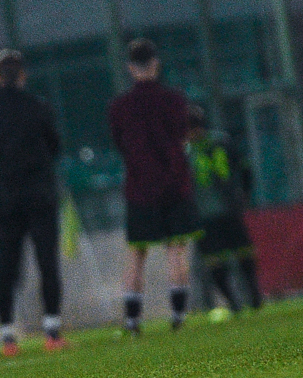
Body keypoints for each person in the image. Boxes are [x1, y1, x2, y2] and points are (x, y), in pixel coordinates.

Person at [0, 49, 67, 355]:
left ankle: (7, 336)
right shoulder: (38, 106)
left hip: (6, 200)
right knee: (47, 262)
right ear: (23, 75)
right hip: (40, 195)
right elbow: (54, 145)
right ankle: (52, 331)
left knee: (6, 265)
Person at [108, 38, 198, 334]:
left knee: (136, 253)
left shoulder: (120, 106)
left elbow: (120, 143)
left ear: (130, 68)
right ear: (156, 64)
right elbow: (183, 137)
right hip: (174, 184)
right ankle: (178, 315)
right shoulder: (175, 100)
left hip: (140, 188)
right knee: (176, 250)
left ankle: (133, 320)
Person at [186, 104, 262, 314]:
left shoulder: (189, 151)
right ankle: (237, 300)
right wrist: (244, 193)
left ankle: (250, 296)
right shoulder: (221, 141)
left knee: (234, 254)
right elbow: (245, 168)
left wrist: (244, 193)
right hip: (213, 212)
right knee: (227, 256)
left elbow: (244, 168)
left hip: (213, 212)